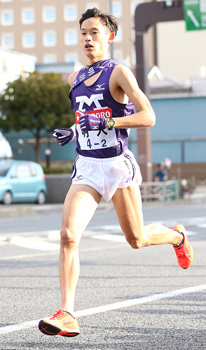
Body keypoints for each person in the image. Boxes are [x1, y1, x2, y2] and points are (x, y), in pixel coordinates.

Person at [38, 8, 193, 338]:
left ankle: (177, 236)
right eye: (83, 33)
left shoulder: (118, 73)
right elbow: (85, 119)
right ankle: (67, 313)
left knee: (136, 239)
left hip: (116, 166)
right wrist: (73, 130)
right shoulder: (74, 78)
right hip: (88, 167)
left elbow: (148, 116)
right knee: (67, 235)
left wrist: (107, 121)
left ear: (109, 36)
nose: (87, 38)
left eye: (94, 32)